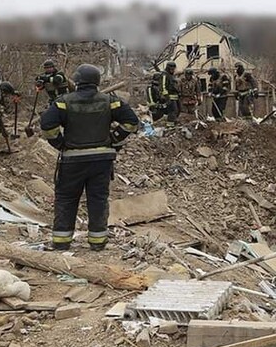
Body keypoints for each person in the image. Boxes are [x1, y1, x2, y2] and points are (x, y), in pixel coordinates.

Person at [40, 64, 139, 251]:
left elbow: (47, 125)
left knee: (67, 198)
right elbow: (132, 121)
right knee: (98, 199)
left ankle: (61, 242)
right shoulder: (110, 101)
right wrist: (114, 138)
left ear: (76, 81)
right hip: (101, 160)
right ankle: (97, 242)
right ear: (97, 81)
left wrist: (60, 143)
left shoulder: (63, 102)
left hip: (72, 160)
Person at [159, 61, 179, 128]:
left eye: (173, 69)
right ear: (168, 68)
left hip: (174, 97)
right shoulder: (164, 74)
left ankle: (173, 123)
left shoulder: (171, 75)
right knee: (172, 111)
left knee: (177, 111)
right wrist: (167, 96)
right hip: (169, 97)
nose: (173, 70)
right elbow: (163, 86)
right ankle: (170, 126)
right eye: (171, 69)